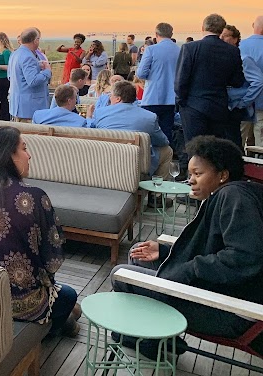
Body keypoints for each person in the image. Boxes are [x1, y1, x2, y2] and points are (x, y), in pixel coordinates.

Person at [110, 136, 263, 357]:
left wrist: (188, 269)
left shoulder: (234, 197)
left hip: (235, 312)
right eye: (190, 174)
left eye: (197, 174)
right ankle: (157, 339)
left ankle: (154, 343)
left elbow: (244, 257)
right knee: (140, 257)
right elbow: (217, 250)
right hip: (222, 292)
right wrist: (165, 252)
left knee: (119, 275)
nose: (190, 180)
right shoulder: (236, 194)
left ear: (223, 175)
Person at [0, 126, 80, 336]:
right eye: (24, 149)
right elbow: (52, 261)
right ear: (8, 155)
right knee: (69, 295)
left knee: (68, 304)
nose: (29, 155)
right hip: (18, 304)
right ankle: (51, 330)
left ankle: (62, 320)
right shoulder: (35, 197)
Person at [175, 13, 245, 145]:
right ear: (221, 30)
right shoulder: (232, 51)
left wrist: (181, 102)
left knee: (194, 149)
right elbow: (237, 81)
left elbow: (181, 80)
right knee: (213, 150)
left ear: (202, 27)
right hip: (218, 106)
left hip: (192, 106)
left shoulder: (190, 48)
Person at [91, 81, 173, 182]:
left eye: (110, 95)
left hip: (106, 161)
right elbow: (163, 142)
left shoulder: (100, 113)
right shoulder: (149, 117)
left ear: (118, 99)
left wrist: (88, 117)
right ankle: (158, 193)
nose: (109, 98)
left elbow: (92, 132)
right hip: (136, 165)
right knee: (167, 150)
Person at [136, 22, 180, 144]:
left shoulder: (151, 50)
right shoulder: (179, 50)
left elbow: (141, 73)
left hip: (152, 97)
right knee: (167, 131)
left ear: (156, 34)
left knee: (148, 132)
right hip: (172, 98)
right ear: (171, 34)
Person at [222, 25, 263, 150]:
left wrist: (244, 101)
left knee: (242, 140)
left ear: (235, 39)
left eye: (226, 35)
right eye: (221, 35)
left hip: (241, 106)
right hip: (236, 106)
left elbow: (258, 81)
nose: (222, 38)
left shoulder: (243, 58)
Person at [7, 27, 52, 122]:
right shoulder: (28, 57)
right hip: (30, 109)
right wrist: (47, 71)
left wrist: (37, 66)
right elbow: (33, 81)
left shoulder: (15, 54)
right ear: (35, 40)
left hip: (18, 106)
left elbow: (10, 76)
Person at [239, 15, 263, 146]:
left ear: (254, 26)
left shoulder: (241, 46)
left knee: (241, 137)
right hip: (262, 103)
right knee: (261, 139)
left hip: (244, 100)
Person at [0, 32, 13, 121]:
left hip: (3, 78)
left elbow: (9, 66)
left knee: (3, 100)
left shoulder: (6, 52)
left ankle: (5, 118)